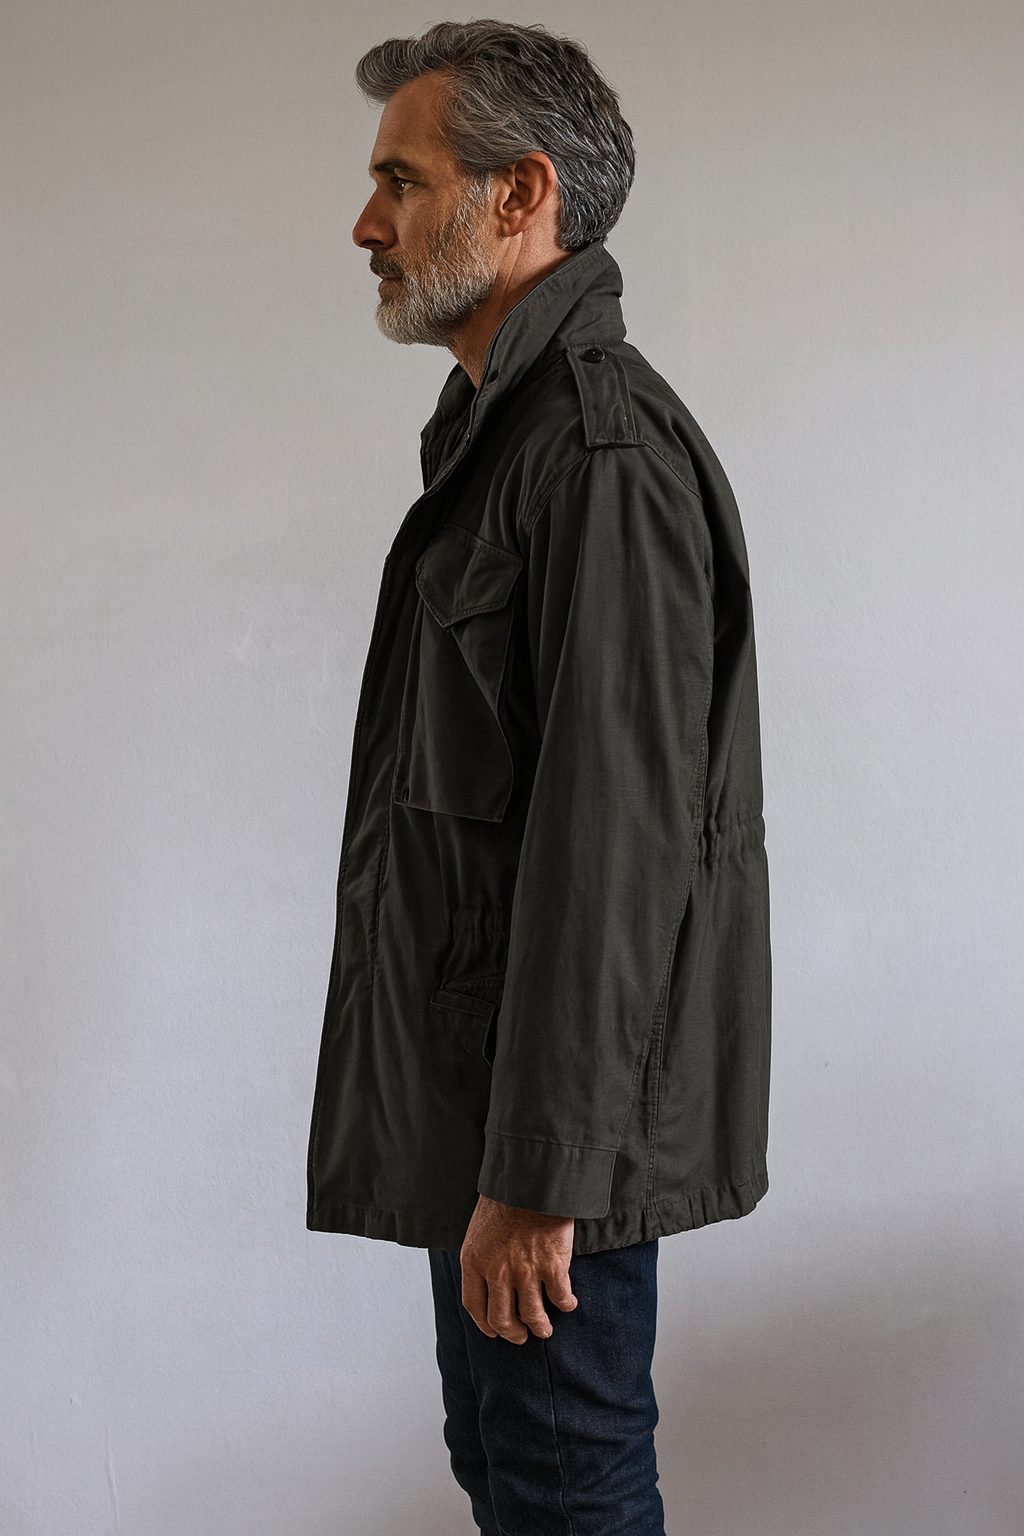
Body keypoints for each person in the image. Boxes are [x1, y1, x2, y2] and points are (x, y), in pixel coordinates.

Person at [307, 20, 770, 1535]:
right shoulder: (506, 439)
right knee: (512, 1476)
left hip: (552, 1148)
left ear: (521, 194)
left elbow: (616, 849)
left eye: (403, 180)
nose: (367, 223)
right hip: (499, 1114)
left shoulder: (597, 454)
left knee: (568, 1493)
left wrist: (542, 1178)